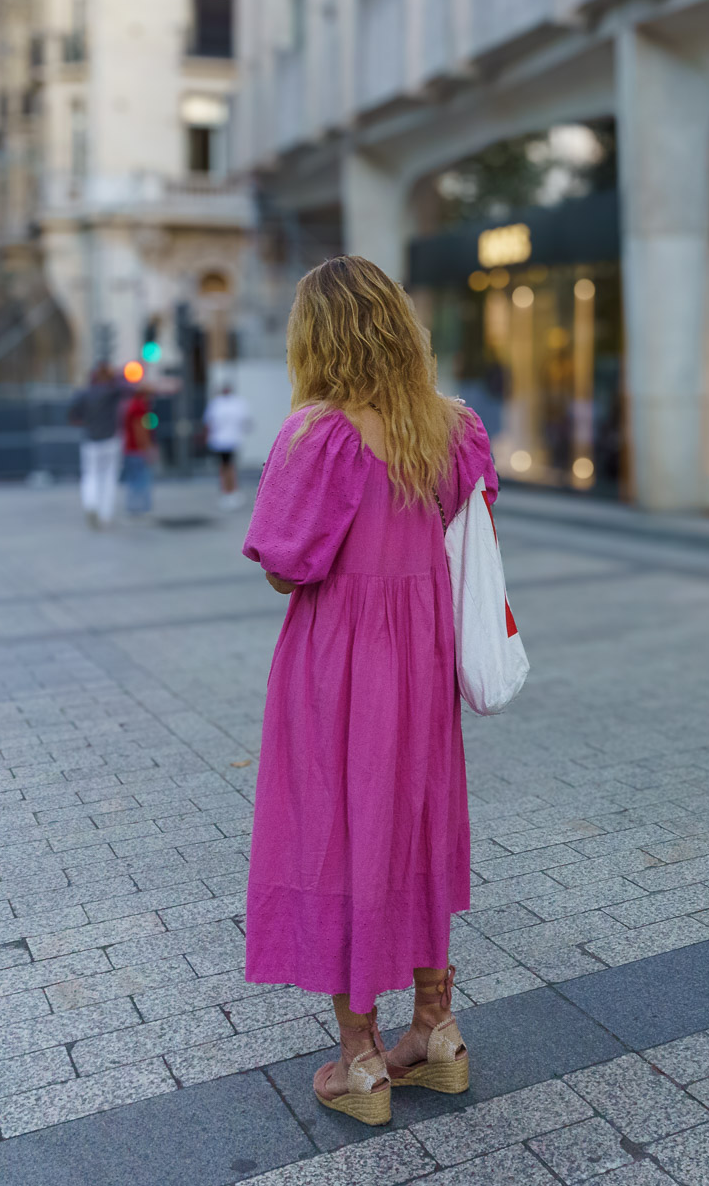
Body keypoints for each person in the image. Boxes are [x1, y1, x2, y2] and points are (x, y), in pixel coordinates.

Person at [241, 255, 498, 1126]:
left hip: (338, 665)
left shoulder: (319, 435)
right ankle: (437, 1032)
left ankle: (361, 1062)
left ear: (315, 338)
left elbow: (287, 567)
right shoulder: (454, 427)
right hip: (422, 663)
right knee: (418, 820)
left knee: (338, 828)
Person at [69, 364, 126, 528]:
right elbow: (128, 387)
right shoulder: (112, 392)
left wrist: (84, 422)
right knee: (109, 478)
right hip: (110, 440)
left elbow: (72, 413)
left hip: (91, 441)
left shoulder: (85, 394)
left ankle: (91, 504)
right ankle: (105, 515)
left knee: (90, 476)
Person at [203, 382, 252, 510]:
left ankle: (228, 490)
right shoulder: (234, 403)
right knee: (228, 466)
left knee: (226, 466)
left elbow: (209, 422)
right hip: (227, 440)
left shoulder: (218, 403)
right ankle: (229, 490)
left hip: (223, 440)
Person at [121, 390, 157, 516]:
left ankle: (135, 507)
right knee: (140, 479)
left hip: (131, 449)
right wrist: (146, 448)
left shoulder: (132, 405)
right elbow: (139, 429)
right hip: (136, 450)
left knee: (134, 479)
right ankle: (139, 508)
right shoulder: (139, 406)